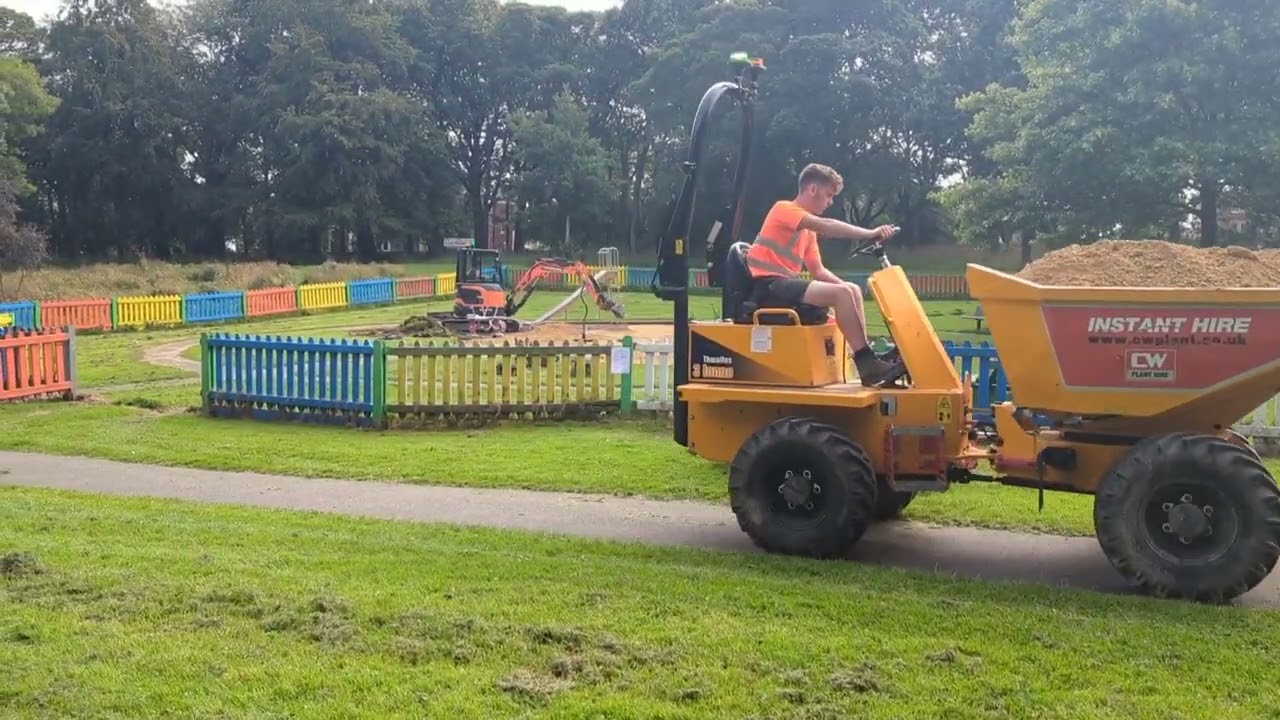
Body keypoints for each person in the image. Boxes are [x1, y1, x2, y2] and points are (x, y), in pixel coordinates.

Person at [744, 163, 903, 386]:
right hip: (767, 286)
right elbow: (827, 226)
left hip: (784, 285)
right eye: (828, 195)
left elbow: (817, 270)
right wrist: (871, 232)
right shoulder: (784, 209)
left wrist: (846, 287)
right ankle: (866, 362)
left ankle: (868, 360)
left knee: (851, 290)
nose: (830, 202)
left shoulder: (806, 231)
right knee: (842, 294)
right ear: (812, 189)